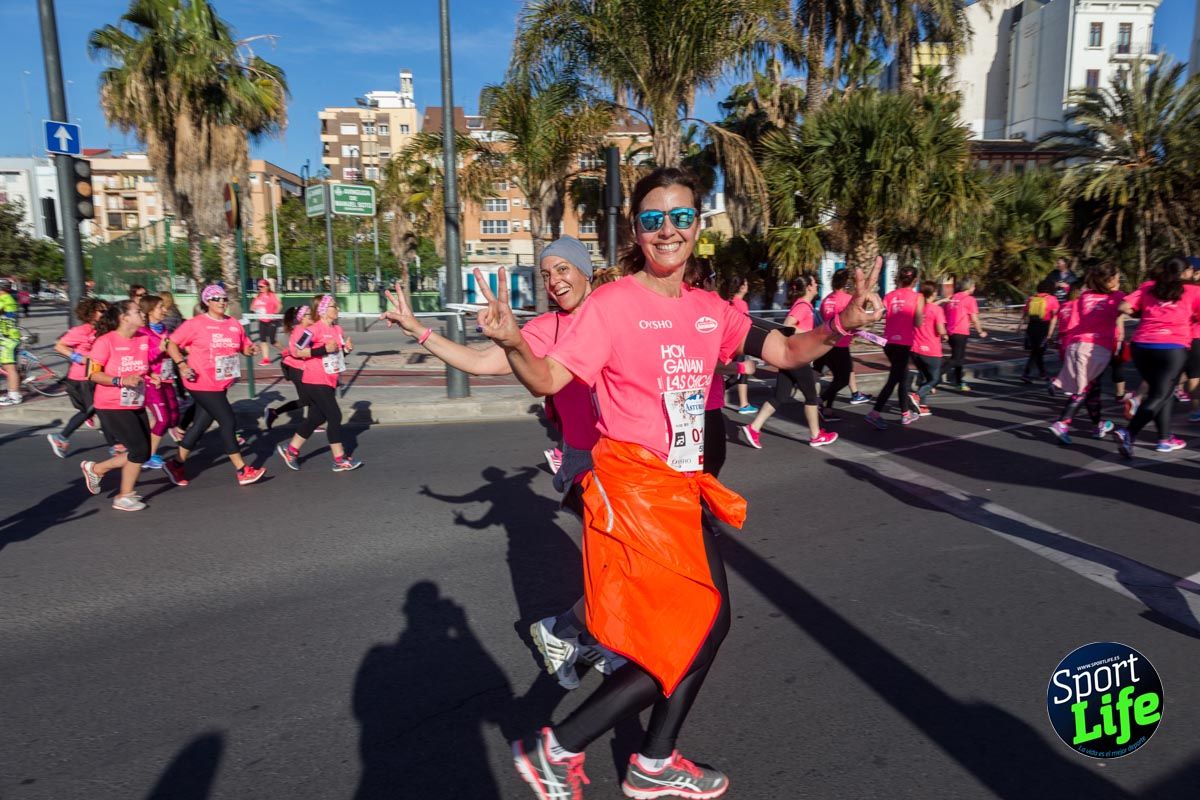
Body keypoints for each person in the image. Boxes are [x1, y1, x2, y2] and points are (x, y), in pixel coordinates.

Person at [476, 167, 883, 800]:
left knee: (708, 623)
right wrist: (510, 343)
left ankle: (652, 760)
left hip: (684, 487)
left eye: (681, 217)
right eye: (652, 220)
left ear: (699, 224)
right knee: (692, 625)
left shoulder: (708, 309)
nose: (668, 231)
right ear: (636, 231)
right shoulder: (610, 304)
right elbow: (549, 380)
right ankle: (562, 748)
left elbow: (784, 353)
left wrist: (843, 326)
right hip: (636, 490)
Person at [382, 236, 625, 690]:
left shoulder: (617, 310)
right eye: (547, 273)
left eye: (563, 269)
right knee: (621, 566)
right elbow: (478, 361)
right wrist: (419, 330)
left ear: (586, 271)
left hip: (632, 459)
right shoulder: (545, 329)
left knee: (619, 566)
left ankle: (589, 636)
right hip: (588, 463)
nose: (554, 281)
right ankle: (563, 631)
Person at [165, 284, 265, 485]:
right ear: (207, 302)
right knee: (228, 421)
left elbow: (243, 347)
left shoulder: (233, 324)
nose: (222, 302)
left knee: (200, 425)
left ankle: (175, 464)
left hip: (221, 383)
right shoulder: (196, 324)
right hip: (200, 381)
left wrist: (250, 350)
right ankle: (242, 469)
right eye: (217, 299)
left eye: (224, 299)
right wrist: (182, 365)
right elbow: (172, 343)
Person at [78, 299, 162, 511]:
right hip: (111, 404)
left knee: (142, 453)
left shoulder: (142, 338)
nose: (142, 314)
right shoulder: (105, 341)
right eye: (137, 311)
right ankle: (124, 496)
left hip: (135, 401)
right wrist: (120, 380)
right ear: (124, 317)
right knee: (139, 450)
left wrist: (152, 375)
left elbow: (142, 366)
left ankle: (97, 469)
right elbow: (92, 373)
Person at [1115, 256, 1200, 456]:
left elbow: (1123, 307)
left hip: (1142, 346)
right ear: (1184, 272)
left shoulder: (1148, 287)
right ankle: (1128, 432)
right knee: (1160, 395)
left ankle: (1165, 438)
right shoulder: (1194, 291)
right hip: (1172, 347)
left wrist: (1143, 313)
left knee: (1164, 392)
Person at [741, 274, 838, 448]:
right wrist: (808, 335)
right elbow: (788, 325)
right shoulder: (802, 305)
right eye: (815, 283)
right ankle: (816, 435)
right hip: (797, 357)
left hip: (793, 356)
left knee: (780, 395)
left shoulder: (806, 306)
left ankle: (753, 428)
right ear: (808, 287)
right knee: (811, 396)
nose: (817, 286)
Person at [275, 294, 362, 472]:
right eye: (333, 306)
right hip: (314, 379)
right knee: (335, 416)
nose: (337, 309)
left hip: (329, 379)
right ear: (323, 310)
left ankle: (291, 450)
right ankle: (339, 460)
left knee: (317, 417)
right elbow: (297, 351)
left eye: (336, 306)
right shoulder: (313, 329)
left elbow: (335, 355)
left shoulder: (338, 330)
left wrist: (346, 351)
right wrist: (322, 349)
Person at [1048, 265, 1124, 444]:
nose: (1119, 282)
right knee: (1084, 390)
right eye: (1118, 278)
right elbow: (1132, 309)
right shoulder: (1117, 297)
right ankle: (1062, 423)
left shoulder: (1084, 297)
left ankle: (1098, 425)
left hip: (1076, 346)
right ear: (1110, 280)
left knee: (1093, 389)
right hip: (1094, 349)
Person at [47, 297, 113, 457]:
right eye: (101, 311)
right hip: (81, 378)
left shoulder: (103, 329)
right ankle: (115, 446)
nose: (105, 314)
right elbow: (59, 346)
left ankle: (61, 437)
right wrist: (78, 358)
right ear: (90, 313)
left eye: (106, 311)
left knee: (97, 409)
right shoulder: (81, 330)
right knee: (95, 409)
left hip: (97, 375)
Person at [866, 265, 924, 429]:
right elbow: (918, 322)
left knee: (902, 376)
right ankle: (874, 413)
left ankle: (905, 414)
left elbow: (880, 315)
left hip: (889, 343)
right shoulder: (918, 297)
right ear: (915, 280)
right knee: (894, 379)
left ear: (899, 278)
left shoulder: (890, 296)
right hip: (903, 343)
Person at [136, 295, 186, 476]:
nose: (164, 310)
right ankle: (147, 455)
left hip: (166, 379)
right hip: (150, 382)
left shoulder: (163, 328)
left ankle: (142, 441)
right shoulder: (142, 333)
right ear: (150, 311)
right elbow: (141, 358)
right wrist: (160, 349)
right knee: (163, 419)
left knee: (173, 417)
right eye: (160, 308)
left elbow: (171, 348)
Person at [264, 305, 315, 430]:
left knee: (309, 398)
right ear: (302, 318)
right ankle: (274, 413)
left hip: (299, 368)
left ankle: (311, 423)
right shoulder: (303, 332)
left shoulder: (305, 330)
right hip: (296, 368)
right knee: (307, 399)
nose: (313, 317)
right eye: (310, 315)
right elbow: (298, 351)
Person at [813, 269, 856, 413]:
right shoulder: (848, 299)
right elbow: (850, 321)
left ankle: (828, 409)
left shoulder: (826, 300)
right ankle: (820, 401)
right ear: (846, 283)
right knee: (843, 378)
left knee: (837, 378)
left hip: (827, 342)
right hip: (840, 344)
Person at [943, 278, 988, 391]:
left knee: (959, 358)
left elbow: (944, 313)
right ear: (968, 287)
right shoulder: (969, 299)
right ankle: (932, 378)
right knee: (956, 359)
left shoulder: (952, 297)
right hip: (960, 332)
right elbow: (974, 318)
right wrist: (980, 331)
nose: (974, 288)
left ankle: (959, 381)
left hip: (950, 331)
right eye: (973, 286)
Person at [721, 275, 757, 414]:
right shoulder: (741, 304)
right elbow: (745, 324)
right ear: (741, 287)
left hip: (729, 342)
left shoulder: (729, 302)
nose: (747, 287)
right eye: (746, 284)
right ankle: (743, 404)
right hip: (739, 342)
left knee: (738, 373)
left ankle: (743, 403)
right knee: (740, 373)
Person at [910, 281, 947, 415]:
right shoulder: (937, 310)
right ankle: (917, 395)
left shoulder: (917, 308)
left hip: (915, 349)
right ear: (934, 293)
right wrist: (945, 335)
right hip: (931, 350)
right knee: (935, 379)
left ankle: (922, 406)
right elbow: (940, 330)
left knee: (925, 378)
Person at [1021, 277, 1060, 382]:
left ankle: (1041, 373)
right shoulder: (1052, 299)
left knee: (1037, 351)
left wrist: (1020, 327)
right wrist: (1050, 333)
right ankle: (1027, 373)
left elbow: (1025, 314)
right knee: (1038, 351)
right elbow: (1055, 317)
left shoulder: (1031, 298)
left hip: (1032, 326)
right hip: (1043, 327)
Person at [250, 279, 283, 366]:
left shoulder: (272, 295)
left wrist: (275, 314)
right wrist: (256, 310)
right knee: (263, 340)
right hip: (262, 321)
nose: (260, 288)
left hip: (272, 321)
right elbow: (252, 307)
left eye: (262, 286)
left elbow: (279, 306)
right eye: (259, 287)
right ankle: (266, 359)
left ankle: (286, 351)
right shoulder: (258, 296)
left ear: (267, 286)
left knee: (272, 341)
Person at [0, 279, 21, 406]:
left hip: (8, 338)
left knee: (10, 368)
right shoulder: (10, 298)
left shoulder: (4, 299)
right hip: (8, 336)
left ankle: (14, 396)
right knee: (8, 367)